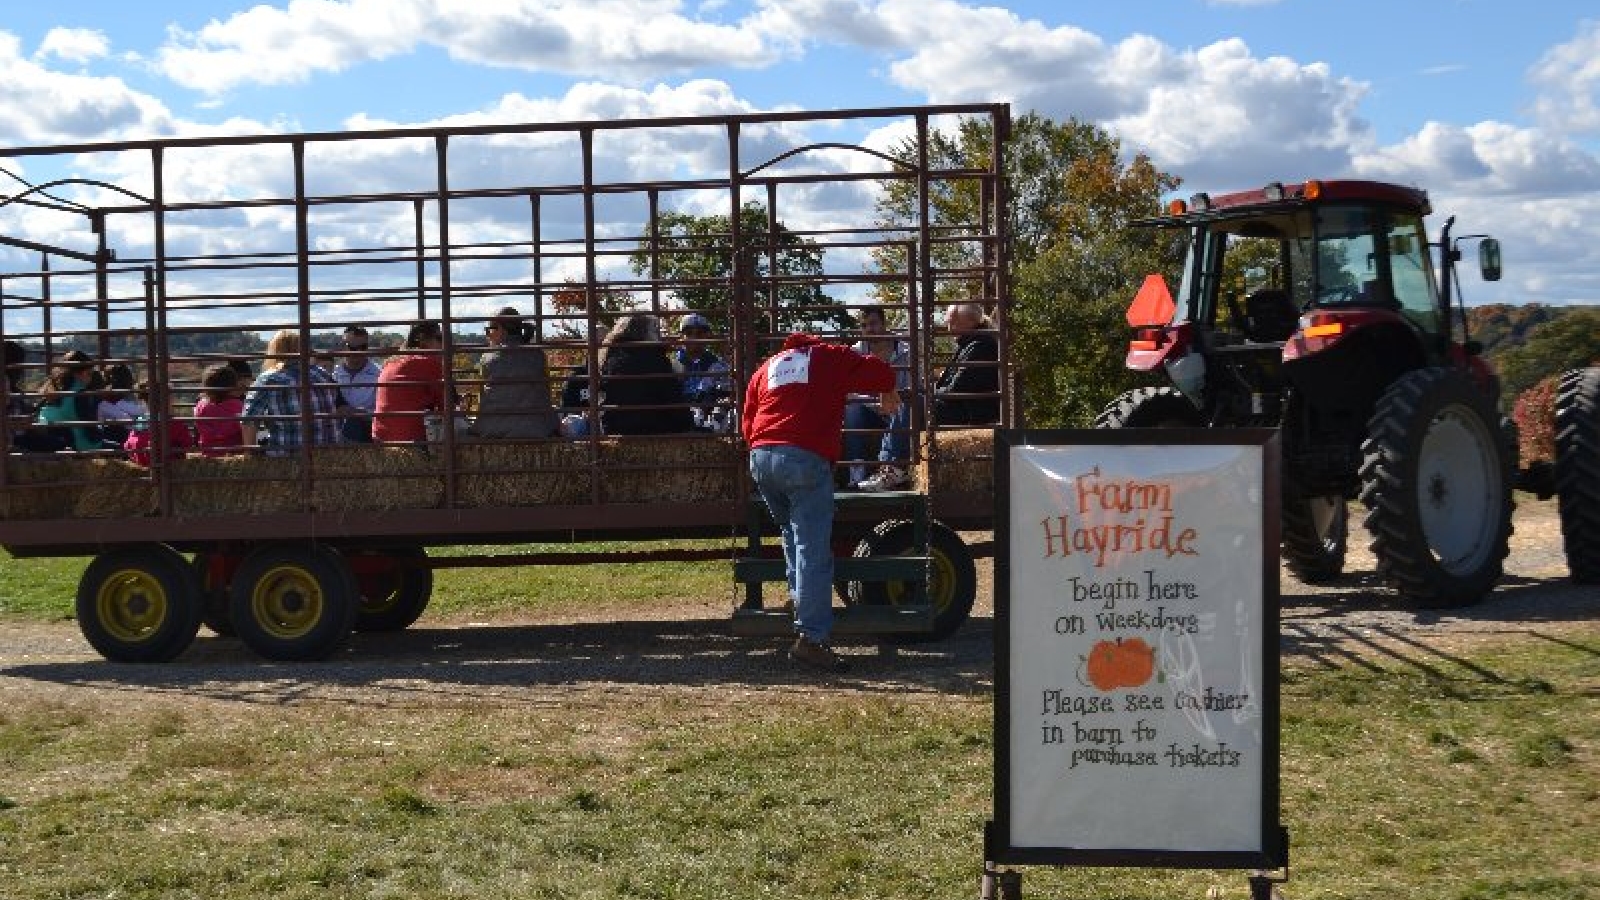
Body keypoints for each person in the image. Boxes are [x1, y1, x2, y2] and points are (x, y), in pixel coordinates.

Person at [742, 331, 898, 672]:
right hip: (803, 455)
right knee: (812, 548)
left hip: (761, 456)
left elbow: (748, 422)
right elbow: (882, 373)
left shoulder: (766, 367)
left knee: (791, 535)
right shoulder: (829, 355)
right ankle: (812, 640)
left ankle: (802, 605)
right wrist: (889, 388)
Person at [240, 329, 347, 454]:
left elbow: (248, 421)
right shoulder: (321, 374)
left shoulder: (269, 379)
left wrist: (251, 457)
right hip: (328, 456)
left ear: (275, 351)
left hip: (288, 459)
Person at [843, 307, 913, 490]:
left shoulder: (906, 350)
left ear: (884, 324)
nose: (868, 330)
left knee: (909, 402)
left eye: (873, 324)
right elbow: (850, 390)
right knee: (852, 408)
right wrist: (876, 403)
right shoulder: (855, 353)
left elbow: (916, 385)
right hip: (869, 409)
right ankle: (856, 473)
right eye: (864, 325)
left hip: (900, 409)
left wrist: (892, 399)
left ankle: (891, 469)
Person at [470, 306, 559, 439]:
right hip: (538, 428)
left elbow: (482, 398)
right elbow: (547, 391)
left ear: (500, 329)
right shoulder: (538, 355)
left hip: (493, 429)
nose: (487, 335)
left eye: (489, 329)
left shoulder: (487, 358)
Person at [599, 313, 693, 435]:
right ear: (649, 332)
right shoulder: (654, 357)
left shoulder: (610, 357)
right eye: (656, 330)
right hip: (653, 427)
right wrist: (690, 423)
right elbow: (673, 398)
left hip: (615, 428)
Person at [372, 320, 450, 443]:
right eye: (439, 338)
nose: (443, 344)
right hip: (410, 440)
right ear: (423, 340)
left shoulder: (391, 362)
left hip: (380, 438)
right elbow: (447, 404)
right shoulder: (429, 362)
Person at [931, 301, 1000, 426]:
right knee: (915, 400)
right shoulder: (971, 343)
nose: (949, 328)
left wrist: (932, 392)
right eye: (948, 323)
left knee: (915, 403)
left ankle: (893, 446)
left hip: (970, 413)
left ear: (970, 322)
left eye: (953, 322)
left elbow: (956, 388)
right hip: (964, 407)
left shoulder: (980, 346)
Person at [34, 350, 105, 451]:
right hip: (78, 444)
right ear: (80, 373)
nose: (90, 379)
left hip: (55, 441)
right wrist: (101, 433)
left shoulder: (51, 388)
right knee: (122, 449)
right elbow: (89, 430)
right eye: (89, 373)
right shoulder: (80, 393)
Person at [124, 380, 195, 466]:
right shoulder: (174, 423)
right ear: (167, 400)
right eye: (171, 398)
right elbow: (188, 443)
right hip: (168, 467)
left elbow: (128, 445)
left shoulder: (141, 420)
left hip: (143, 465)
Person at [674, 313, 731, 414]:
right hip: (678, 417)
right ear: (681, 336)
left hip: (709, 420)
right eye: (689, 333)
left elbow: (727, 393)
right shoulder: (672, 365)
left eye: (700, 333)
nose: (694, 337)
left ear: (707, 336)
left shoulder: (717, 365)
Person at [333, 325, 380, 443]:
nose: (357, 352)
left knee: (354, 424)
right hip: (339, 432)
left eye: (362, 347)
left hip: (367, 431)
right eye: (351, 347)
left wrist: (361, 414)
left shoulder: (379, 375)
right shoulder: (333, 375)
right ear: (343, 347)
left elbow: (385, 412)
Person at [193, 363, 245, 456]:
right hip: (233, 452)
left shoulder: (201, 405)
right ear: (232, 386)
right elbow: (244, 427)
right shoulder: (237, 405)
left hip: (208, 452)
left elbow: (199, 425)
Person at [96, 364, 145, 446]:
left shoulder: (106, 400)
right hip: (122, 436)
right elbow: (134, 416)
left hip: (117, 435)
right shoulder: (109, 401)